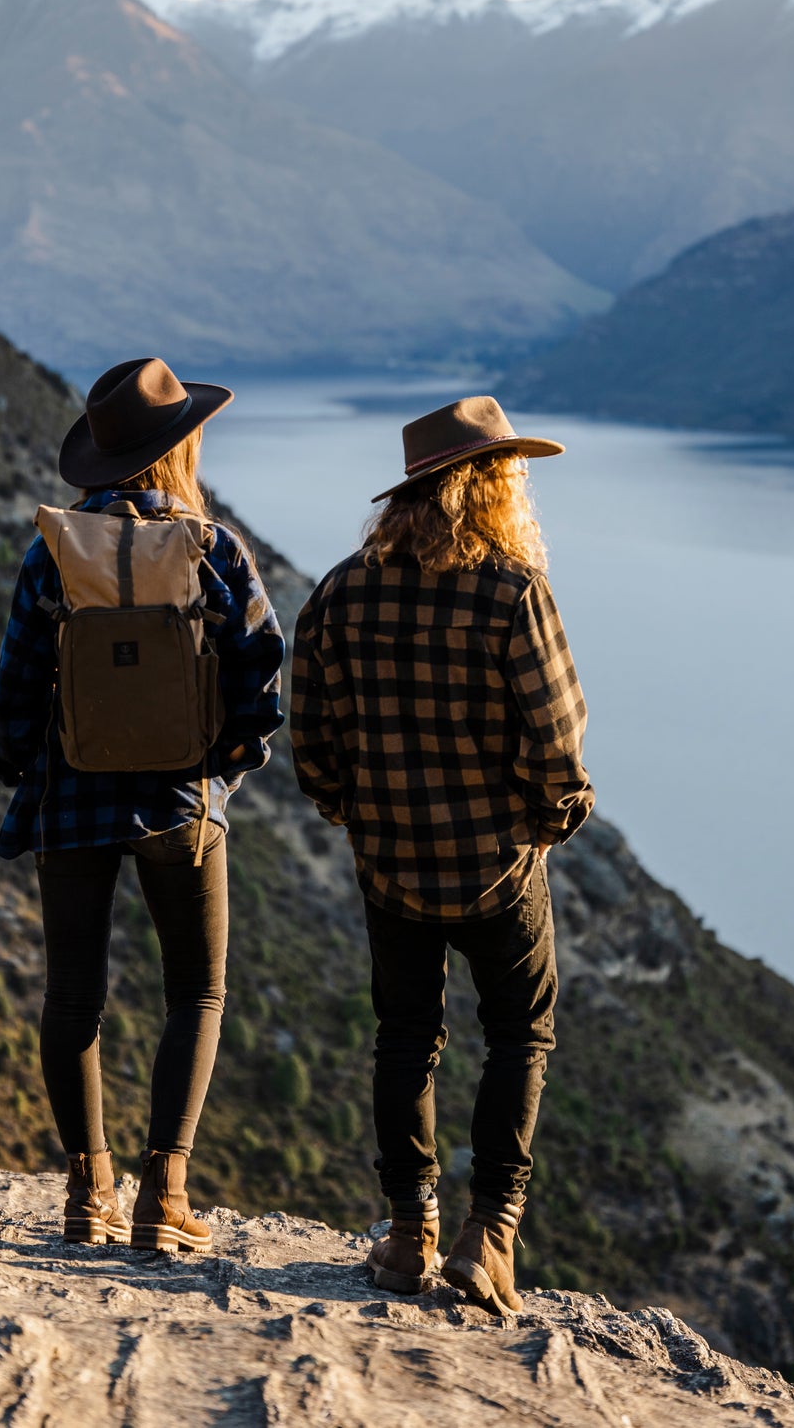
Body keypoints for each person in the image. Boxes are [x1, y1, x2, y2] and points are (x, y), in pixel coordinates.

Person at [290, 394, 593, 1316]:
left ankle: (408, 1233)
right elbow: (557, 746)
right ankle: (488, 1234)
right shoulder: (511, 591)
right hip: (499, 867)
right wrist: (551, 820)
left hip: (391, 867)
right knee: (519, 1033)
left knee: (405, 1037)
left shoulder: (340, 591)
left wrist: (361, 814)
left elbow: (313, 747)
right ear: (489, 485)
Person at [0, 358, 285, 1248]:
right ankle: (166, 1195)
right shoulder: (213, 548)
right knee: (196, 990)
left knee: (74, 993)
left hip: (70, 802)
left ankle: (87, 1193)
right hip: (179, 803)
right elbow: (263, 681)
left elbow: (16, 697)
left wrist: (20, 766)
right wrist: (214, 773)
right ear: (176, 448)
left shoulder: (55, 550)